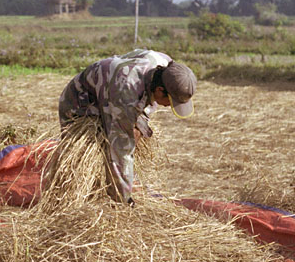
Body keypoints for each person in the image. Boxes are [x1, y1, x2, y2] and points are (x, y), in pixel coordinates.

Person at [57, 49, 196, 205]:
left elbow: (144, 106)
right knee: (100, 149)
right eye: (170, 102)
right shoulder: (126, 94)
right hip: (82, 102)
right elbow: (121, 150)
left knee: (136, 132)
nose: (168, 107)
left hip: (114, 89)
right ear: (159, 90)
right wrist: (123, 199)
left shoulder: (166, 65)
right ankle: (90, 196)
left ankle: (120, 184)